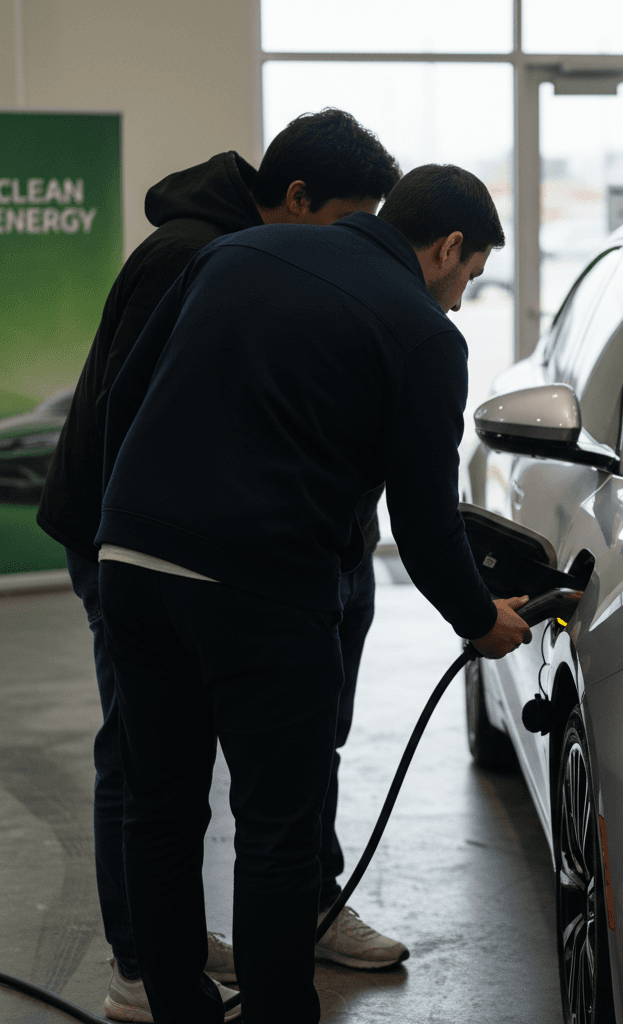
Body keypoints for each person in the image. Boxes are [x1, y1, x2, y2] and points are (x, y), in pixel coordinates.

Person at [94, 163, 531, 1024]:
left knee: (161, 805)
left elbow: (123, 395)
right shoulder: (423, 334)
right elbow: (423, 516)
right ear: (447, 247)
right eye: (469, 277)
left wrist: (127, 523)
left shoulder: (237, 254)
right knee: (276, 827)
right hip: (262, 592)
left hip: (134, 566)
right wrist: (480, 619)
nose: (457, 300)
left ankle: (179, 1006)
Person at [35, 108, 406, 1021]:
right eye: (346, 221)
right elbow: (134, 413)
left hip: (216, 551)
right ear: (293, 197)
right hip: (132, 547)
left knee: (267, 764)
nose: (354, 249)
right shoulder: (195, 256)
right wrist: (139, 546)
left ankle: (262, 920)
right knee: (146, 764)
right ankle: (137, 965)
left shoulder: (257, 254)